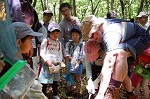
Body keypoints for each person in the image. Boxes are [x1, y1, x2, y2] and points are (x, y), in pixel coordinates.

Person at [80, 15, 150, 99]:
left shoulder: (110, 33)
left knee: (120, 53)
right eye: (89, 37)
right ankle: (130, 94)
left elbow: (109, 63)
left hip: (141, 38)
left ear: (98, 27)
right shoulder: (101, 32)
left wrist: (100, 94)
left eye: (92, 35)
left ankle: (112, 91)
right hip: (125, 41)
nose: (92, 39)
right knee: (119, 64)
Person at [38, 22, 62, 99]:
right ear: (49, 33)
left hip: (55, 65)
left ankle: (55, 94)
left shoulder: (59, 43)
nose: (55, 34)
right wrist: (47, 61)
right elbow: (42, 52)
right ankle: (43, 95)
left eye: (57, 33)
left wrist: (59, 63)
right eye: (53, 32)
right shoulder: (46, 41)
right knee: (44, 81)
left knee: (55, 81)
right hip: (47, 64)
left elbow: (60, 54)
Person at [65, 25, 84, 98]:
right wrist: (72, 60)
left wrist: (77, 63)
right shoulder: (69, 44)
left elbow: (81, 55)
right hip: (70, 63)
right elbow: (67, 53)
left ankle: (77, 92)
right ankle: (70, 90)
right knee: (70, 76)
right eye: (73, 35)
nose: (74, 36)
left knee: (78, 78)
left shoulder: (82, 44)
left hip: (79, 64)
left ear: (79, 35)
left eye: (76, 35)